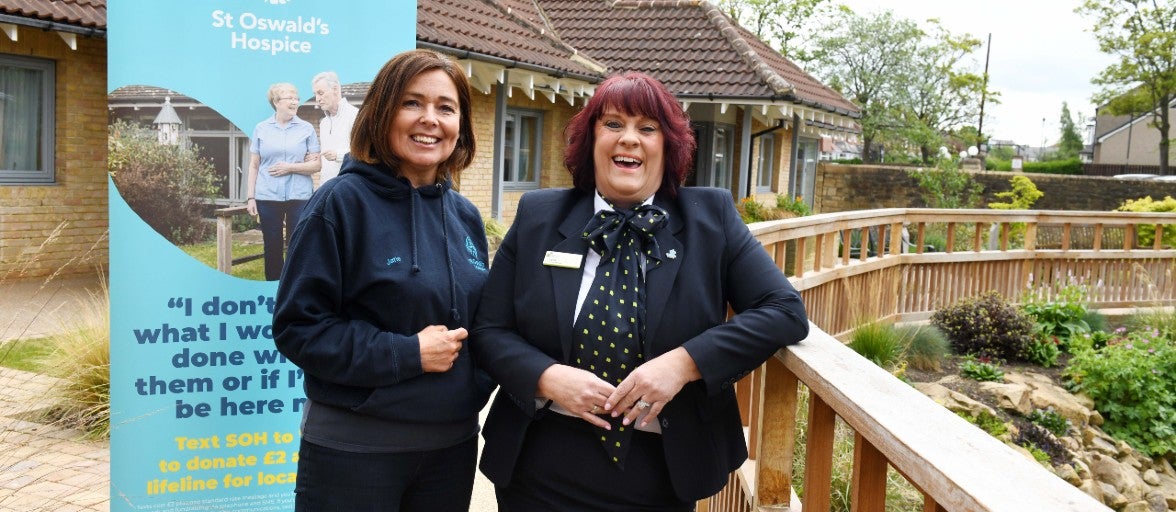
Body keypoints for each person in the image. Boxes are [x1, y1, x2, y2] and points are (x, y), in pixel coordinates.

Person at [471, 72, 810, 511]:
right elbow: (489, 329)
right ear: (590, 141)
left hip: (663, 469)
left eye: (647, 128)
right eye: (612, 125)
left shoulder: (711, 218)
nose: (629, 139)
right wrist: (548, 377)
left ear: (667, 146)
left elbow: (783, 310)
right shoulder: (539, 215)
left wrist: (683, 364)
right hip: (540, 461)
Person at [272, 50, 493, 511]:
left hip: (450, 450)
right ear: (382, 113)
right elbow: (299, 328)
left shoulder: (465, 216)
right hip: (355, 450)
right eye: (412, 103)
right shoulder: (339, 205)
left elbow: (485, 326)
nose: (430, 120)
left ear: (461, 125)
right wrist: (406, 353)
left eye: (445, 108)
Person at [246, 82, 321, 281]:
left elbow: (316, 165)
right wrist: (251, 197)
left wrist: (290, 167)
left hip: (300, 195)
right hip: (267, 196)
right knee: (272, 245)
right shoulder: (261, 128)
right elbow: (254, 165)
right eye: (290, 98)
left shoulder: (307, 129)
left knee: (298, 245)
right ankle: (274, 290)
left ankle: (294, 290)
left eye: (296, 98)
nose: (295, 102)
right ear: (277, 102)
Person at [311, 70, 359, 184]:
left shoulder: (356, 116)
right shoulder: (324, 123)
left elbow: (366, 154)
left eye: (320, 93)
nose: (317, 99)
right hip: (326, 187)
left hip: (349, 187)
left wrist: (338, 155)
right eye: (315, 94)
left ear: (335, 89)